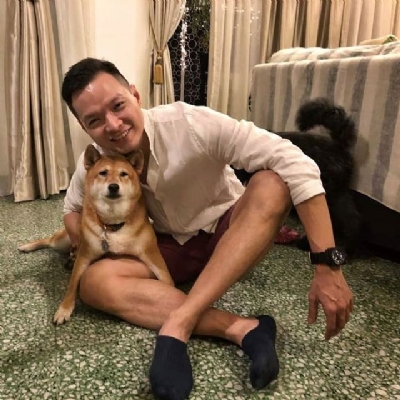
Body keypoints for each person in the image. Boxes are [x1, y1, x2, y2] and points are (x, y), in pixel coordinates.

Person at [61, 57, 353, 400]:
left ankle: (178, 324)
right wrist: (93, 243)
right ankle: (244, 328)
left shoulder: (190, 123)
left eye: (118, 105)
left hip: (233, 233)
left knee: (273, 183)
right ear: (84, 127)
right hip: (171, 243)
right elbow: (71, 210)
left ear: (135, 96)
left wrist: (327, 264)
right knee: (94, 283)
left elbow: (295, 161)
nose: (112, 125)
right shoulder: (97, 160)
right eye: (95, 120)